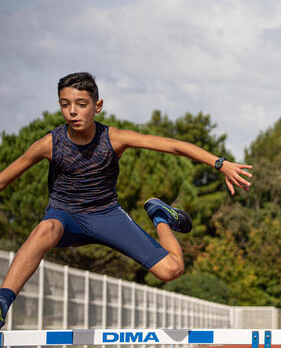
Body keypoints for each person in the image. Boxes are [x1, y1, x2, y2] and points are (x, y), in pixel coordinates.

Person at [0, 72, 252, 330]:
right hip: (65, 217)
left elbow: (173, 146)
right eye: (66, 105)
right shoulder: (50, 144)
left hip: (106, 216)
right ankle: (2, 302)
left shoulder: (114, 139)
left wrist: (219, 164)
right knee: (45, 228)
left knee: (171, 270)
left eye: (81, 104)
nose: (73, 112)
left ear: (98, 107)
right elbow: (3, 180)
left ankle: (160, 217)